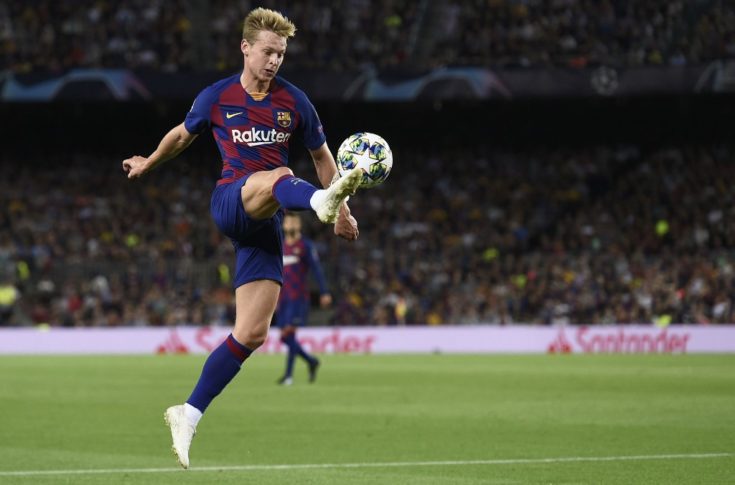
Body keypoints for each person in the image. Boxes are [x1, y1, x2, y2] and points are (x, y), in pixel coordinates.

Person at [122, 7, 363, 469]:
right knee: (278, 174)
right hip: (233, 200)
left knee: (252, 332)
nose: (274, 61)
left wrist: (343, 211)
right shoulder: (218, 96)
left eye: (281, 54)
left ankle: (188, 413)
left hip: (266, 221)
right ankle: (319, 203)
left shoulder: (295, 101)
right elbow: (182, 136)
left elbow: (323, 157)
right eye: (268, 52)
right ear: (246, 48)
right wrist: (149, 162)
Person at [274, 212, 331, 386]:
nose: (290, 225)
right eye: (288, 222)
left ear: (299, 225)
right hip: (282, 298)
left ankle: (289, 376)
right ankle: (311, 361)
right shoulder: (280, 245)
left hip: (298, 298)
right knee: (285, 337)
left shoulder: (305, 245)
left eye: (294, 222)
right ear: (284, 225)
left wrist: (324, 292)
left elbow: (317, 269)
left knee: (288, 334)